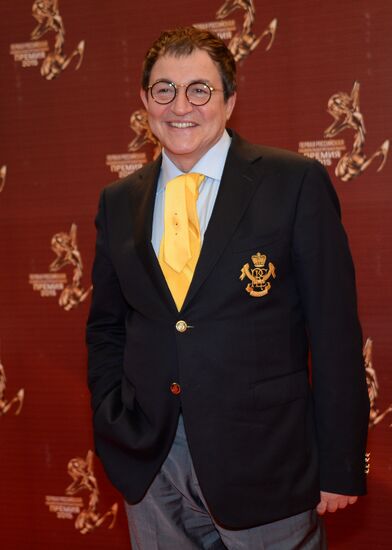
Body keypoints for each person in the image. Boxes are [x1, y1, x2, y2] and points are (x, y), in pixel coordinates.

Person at [86, 26, 370, 549]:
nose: (181, 106)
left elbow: (334, 334)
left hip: (267, 461)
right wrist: (112, 419)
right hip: (151, 464)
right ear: (145, 100)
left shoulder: (293, 182)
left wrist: (342, 463)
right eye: (165, 89)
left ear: (230, 100)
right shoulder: (118, 200)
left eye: (200, 89)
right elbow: (107, 326)